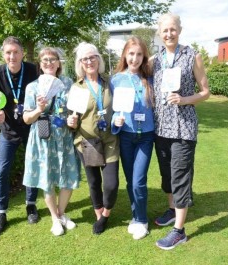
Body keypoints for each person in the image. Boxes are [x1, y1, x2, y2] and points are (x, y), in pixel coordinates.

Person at [151, 13, 210, 250]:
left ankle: (179, 231)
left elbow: (205, 91)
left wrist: (185, 99)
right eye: (165, 30)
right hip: (160, 128)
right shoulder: (155, 60)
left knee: (180, 177)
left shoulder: (192, 56)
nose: (169, 34)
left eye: (173, 29)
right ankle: (173, 209)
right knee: (167, 176)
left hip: (183, 129)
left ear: (180, 30)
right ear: (159, 33)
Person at [0, 36, 40, 237]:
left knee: (31, 166)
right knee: (2, 171)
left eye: (16, 52)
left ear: (22, 53)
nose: (12, 56)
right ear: (3, 54)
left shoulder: (34, 71)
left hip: (30, 128)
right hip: (8, 131)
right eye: (8, 52)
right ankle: (1, 214)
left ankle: (31, 205)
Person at [22, 47, 81, 236]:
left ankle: (61, 213)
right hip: (43, 137)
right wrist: (39, 109)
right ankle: (55, 219)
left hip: (63, 136)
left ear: (58, 63)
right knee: (47, 180)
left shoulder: (68, 83)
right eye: (45, 60)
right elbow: (26, 119)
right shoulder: (32, 87)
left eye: (53, 59)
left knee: (68, 176)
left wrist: (73, 119)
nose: (49, 62)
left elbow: (74, 110)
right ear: (40, 64)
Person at [67, 42, 120, 235]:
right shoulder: (76, 88)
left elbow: (119, 106)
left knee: (111, 184)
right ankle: (99, 215)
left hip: (110, 141)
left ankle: (106, 213)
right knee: (94, 182)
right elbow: (71, 119)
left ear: (98, 59)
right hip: (86, 143)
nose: (89, 61)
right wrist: (71, 122)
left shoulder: (110, 83)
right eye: (85, 59)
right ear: (80, 63)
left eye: (92, 57)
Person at [110, 36, 155, 240]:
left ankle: (142, 220)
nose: (134, 58)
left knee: (139, 181)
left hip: (146, 137)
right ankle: (136, 217)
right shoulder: (116, 80)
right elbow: (111, 110)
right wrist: (114, 121)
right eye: (131, 54)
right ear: (125, 55)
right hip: (126, 136)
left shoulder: (151, 78)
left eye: (139, 54)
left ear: (143, 56)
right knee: (130, 181)